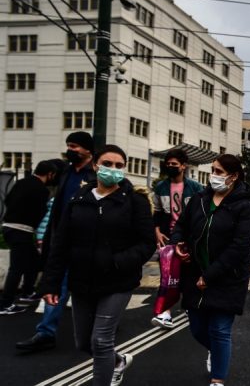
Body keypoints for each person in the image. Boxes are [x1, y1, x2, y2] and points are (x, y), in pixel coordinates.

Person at [40, 144, 156, 386]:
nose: (113, 169)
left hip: (118, 281)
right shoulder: (78, 199)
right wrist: (50, 283)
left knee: (101, 341)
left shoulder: (135, 201)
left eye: (119, 166)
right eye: (108, 164)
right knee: (84, 342)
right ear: (96, 165)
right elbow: (60, 244)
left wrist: (117, 262)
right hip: (82, 282)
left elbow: (146, 244)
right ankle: (117, 361)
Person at [170, 154, 250, 386]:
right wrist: (178, 242)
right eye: (213, 170)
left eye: (219, 172)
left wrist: (210, 276)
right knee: (198, 329)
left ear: (234, 176)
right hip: (194, 273)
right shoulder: (199, 198)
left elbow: (240, 247)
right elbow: (181, 225)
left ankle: (217, 380)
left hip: (227, 277)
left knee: (219, 329)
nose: (214, 176)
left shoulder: (245, 206)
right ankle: (218, 352)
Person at [17, 131, 97, 352]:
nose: (71, 150)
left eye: (75, 146)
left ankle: (103, 326)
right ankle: (46, 333)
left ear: (88, 150)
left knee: (91, 289)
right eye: (68, 146)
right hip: (62, 241)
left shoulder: (96, 174)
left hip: (87, 243)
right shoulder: (65, 173)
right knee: (55, 286)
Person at [150, 148, 204, 329]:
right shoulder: (160, 188)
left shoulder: (195, 188)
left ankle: (191, 306)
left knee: (188, 274)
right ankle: (165, 313)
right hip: (168, 238)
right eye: (169, 164)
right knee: (167, 275)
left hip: (189, 238)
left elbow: (200, 213)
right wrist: (157, 231)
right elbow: (157, 213)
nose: (171, 167)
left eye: (175, 164)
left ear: (183, 166)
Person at [0, 160, 58, 314]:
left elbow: (7, 200)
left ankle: (27, 292)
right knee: (16, 268)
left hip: (8, 227)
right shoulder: (42, 190)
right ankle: (5, 304)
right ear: (50, 174)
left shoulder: (22, 182)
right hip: (22, 230)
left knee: (33, 261)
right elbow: (41, 212)